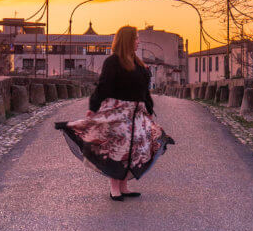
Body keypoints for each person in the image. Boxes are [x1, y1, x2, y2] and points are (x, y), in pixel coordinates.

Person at [54, 25, 174, 201]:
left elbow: (144, 91)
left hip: (137, 114)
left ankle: (124, 186)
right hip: (117, 112)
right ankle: (114, 188)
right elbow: (103, 87)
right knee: (117, 150)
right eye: (136, 38)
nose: (138, 41)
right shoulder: (112, 62)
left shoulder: (139, 65)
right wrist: (93, 107)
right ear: (127, 40)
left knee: (134, 150)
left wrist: (148, 109)